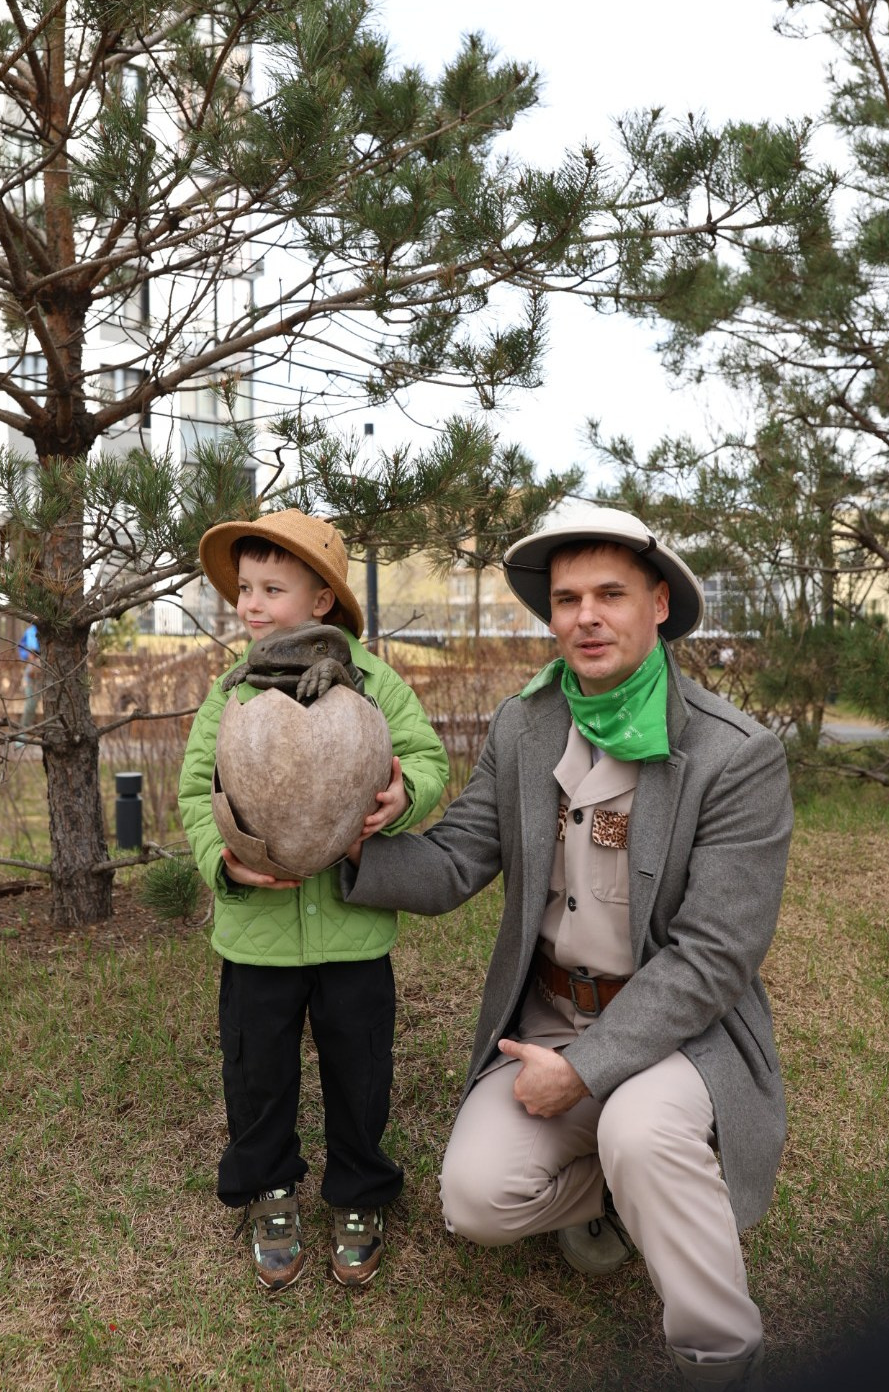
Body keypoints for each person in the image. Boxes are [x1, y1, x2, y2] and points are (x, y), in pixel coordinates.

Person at [343, 504, 792, 1389]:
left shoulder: (735, 755)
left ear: (659, 604)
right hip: (546, 1019)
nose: (585, 616)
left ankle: (721, 1355)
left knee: (638, 1126)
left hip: (677, 1037)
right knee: (476, 1199)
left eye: (611, 595)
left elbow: (712, 958)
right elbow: (455, 860)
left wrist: (587, 1072)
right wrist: (348, 844)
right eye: (567, 598)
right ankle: (636, 1200)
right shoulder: (525, 727)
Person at [179, 509, 448, 1293]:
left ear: (324, 600)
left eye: (272, 588)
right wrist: (223, 859)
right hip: (255, 938)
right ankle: (270, 1191)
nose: (251, 604)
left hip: (354, 934)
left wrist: (405, 795)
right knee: (257, 1074)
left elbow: (425, 756)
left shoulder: (371, 682)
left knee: (360, 1072)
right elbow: (199, 792)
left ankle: (359, 1193)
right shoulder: (230, 693)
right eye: (244, 589)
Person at [16, 622, 40, 733]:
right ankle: (23, 731)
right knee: (31, 701)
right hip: (32, 667)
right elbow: (21, 647)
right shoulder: (30, 631)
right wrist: (28, 655)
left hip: (48, 668)